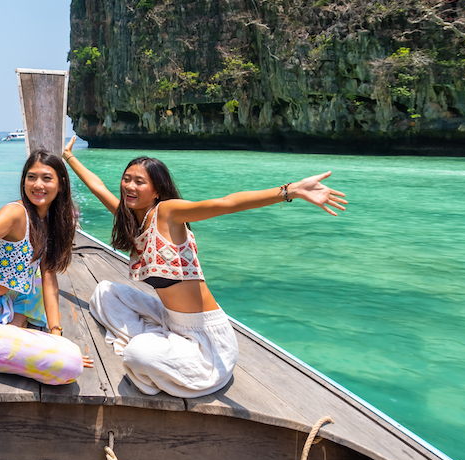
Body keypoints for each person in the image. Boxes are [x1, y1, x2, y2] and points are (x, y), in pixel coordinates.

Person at [61, 137, 346, 398]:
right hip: (171, 320)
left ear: (157, 190)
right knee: (104, 292)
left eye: (139, 182)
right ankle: (163, 347)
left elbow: (224, 203)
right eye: (126, 180)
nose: (129, 187)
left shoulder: (168, 213)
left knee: (136, 355)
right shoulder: (133, 221)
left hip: (206, 340)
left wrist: (289, 191)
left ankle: (162, 352)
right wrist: (69, 158)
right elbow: (98, 187)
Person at [0, 150, 95, 386]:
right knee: (71, 364)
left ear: (61, 184)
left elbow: (49, 276)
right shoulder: (16, 212)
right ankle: (17, 329)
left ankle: (15, 328)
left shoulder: (49, 220)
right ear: (24, 181)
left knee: (39, 280)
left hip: (3, 300)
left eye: (46, 178)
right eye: (31, 177)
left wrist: (55, 334)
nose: (37, 184)